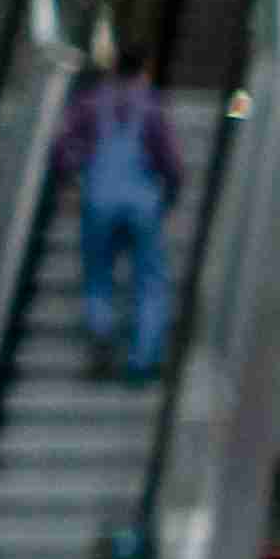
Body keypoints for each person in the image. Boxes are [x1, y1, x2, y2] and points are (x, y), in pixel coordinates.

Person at [51, 53, 185, 381]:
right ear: (143, 71)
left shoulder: (89, 103)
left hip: (99, 200)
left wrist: (69, 181)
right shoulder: (152, 105)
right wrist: (171, 194)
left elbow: (61, 150)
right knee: (149, 281)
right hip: (142, 203)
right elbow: (170, 160)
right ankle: (143, 360)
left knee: (98, 276)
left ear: (114, 71)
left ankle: (101, 336)